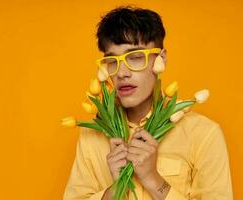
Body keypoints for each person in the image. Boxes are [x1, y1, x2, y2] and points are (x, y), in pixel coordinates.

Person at [63, 6, 233, 200]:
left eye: (135, 58)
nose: (121, 73)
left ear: (161, 59)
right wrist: (115, 191)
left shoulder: (203, 134)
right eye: (112, 61)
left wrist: (152, 179)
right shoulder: (91, 136)